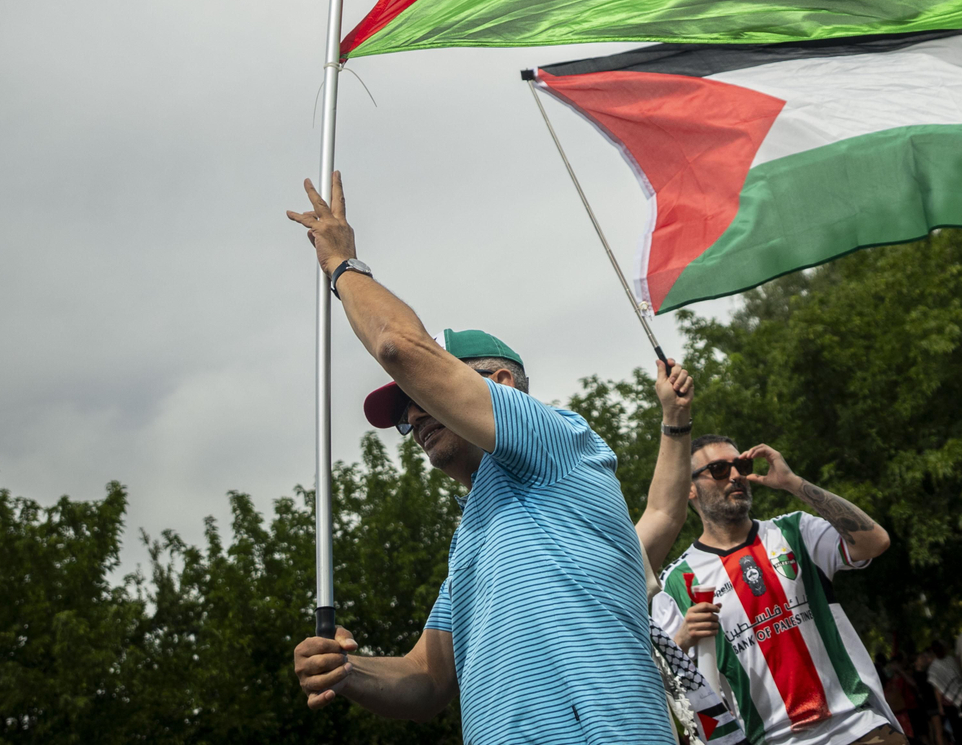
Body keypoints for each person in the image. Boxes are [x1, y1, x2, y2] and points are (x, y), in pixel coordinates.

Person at [284, 175, 673, 742]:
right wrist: (345, 670)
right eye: (403, 413)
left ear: (503, 384)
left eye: (423, 395)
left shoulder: (557, 440)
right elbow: (426, 678)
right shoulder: (473, 537)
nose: (413, 415)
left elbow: (397, 346)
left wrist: (343, 266)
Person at [655, 433, 903, 744]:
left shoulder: (796, 531)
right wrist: (681, 640)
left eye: (741, 466)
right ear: (687, 487)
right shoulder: (677, 581)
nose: (736, 476)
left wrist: (793, 483)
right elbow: (665, 682)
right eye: (719, 469)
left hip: (857, 727)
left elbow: (875, 542)